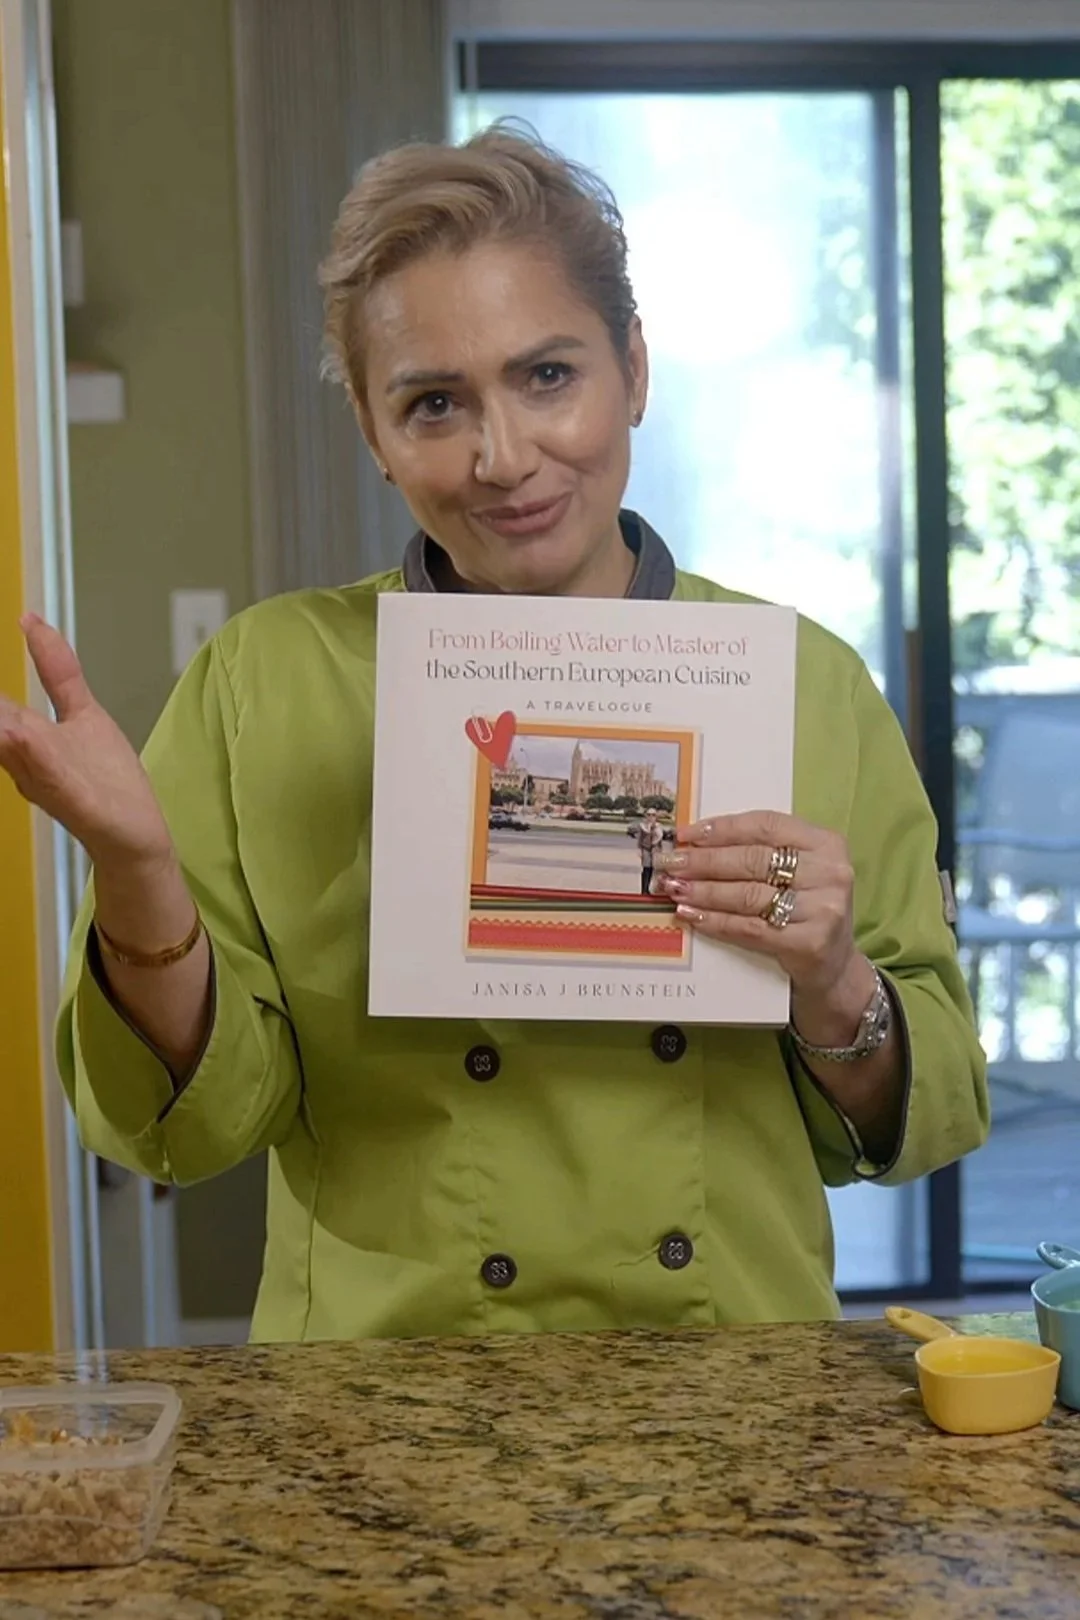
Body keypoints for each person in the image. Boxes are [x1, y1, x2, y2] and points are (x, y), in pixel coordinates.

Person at [0, 128, 988, 1344]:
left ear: (633, 367)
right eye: (433, 403)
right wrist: (138, 876)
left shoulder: (808, 685)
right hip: (379, 1402)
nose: (503, 457)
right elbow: (194, 1129)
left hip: (729, 1387)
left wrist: (833, 983)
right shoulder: (265, 684)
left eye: (550, 376)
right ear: (371, 430)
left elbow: (925, 1119)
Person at [631, 807, 665, 895]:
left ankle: (648, 888)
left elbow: (659, 839)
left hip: (655, 850)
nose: (651, 817)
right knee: (646, 868)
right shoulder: (642, 826)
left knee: (652, 870)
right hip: (645, 849)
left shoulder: (658, 827)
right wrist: (639, 850)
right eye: (649, 815)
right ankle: (644, 889)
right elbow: (639, 839)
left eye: (653, 815)